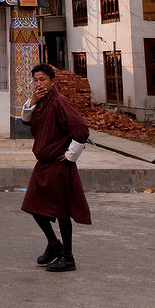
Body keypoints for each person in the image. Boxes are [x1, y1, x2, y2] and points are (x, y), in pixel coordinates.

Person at [21, 63, 91, 272]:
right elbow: (26, 120)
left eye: (43, 80)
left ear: (52, 81)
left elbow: (80, 130)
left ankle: (68, 257)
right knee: (33, 206)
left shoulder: (60, 102)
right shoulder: (41, 101)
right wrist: (33, 100)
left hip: (58, 165)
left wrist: (70, 156)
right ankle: (54, 244)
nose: (39, 84)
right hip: (43, 164)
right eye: (36, 80)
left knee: (61, 212)